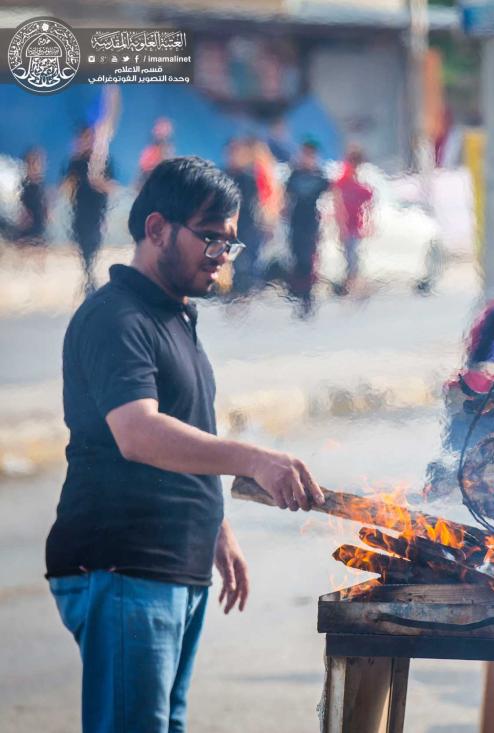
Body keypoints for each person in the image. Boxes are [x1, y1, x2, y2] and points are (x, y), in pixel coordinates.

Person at [45, 156, 324, 732]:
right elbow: (140, 432)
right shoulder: (116, 318)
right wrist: (255, 458)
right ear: (156, 229)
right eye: (210, 238)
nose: (221, 256)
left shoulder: (176, 318)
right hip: (124, 564)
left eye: (230, 243)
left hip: (176, 564)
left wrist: (216, 527)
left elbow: (186, 425)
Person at [62, 125, 115, 294]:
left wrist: (98, 182)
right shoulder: (75, 162)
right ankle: (88, 277)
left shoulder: (103, 161)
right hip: (80, 210)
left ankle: (91, 278)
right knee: (83, 242)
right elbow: (66, 186)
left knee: (94, 241)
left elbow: (111, 186)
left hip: (97, 211)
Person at [283, 139, 329, 314]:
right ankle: (297, 292)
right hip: (295, 224)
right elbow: (285, 199)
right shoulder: (294, 176)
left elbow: (331, 200)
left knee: (308, 259)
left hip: (312, 224)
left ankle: (306, 296)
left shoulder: (320, 177)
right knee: (296, 258)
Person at [331, 144, 375, 296]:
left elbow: (367, 199)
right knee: (351, 257)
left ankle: (353, 285)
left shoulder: (355, 179)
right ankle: (352, 285)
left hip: (356, 225)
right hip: (349, 226)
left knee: (353, 257)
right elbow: (339, 204)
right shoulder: (344, 180)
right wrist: (341, 226)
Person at [223, 138, 264, 296]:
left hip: (245, 225)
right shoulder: (222, 175)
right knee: (226, 260)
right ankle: (228, 290)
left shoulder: (248, 177)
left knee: (243, 261)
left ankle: (241, 291)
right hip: (225, 225)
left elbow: (255, 203)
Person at [1, 147, 48, 250]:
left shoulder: (39, 188)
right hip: (20, 237)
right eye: (33, 163)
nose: (37, 167)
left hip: (36, 236)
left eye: (39, 163)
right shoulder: (19, 187)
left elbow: (43, 214)